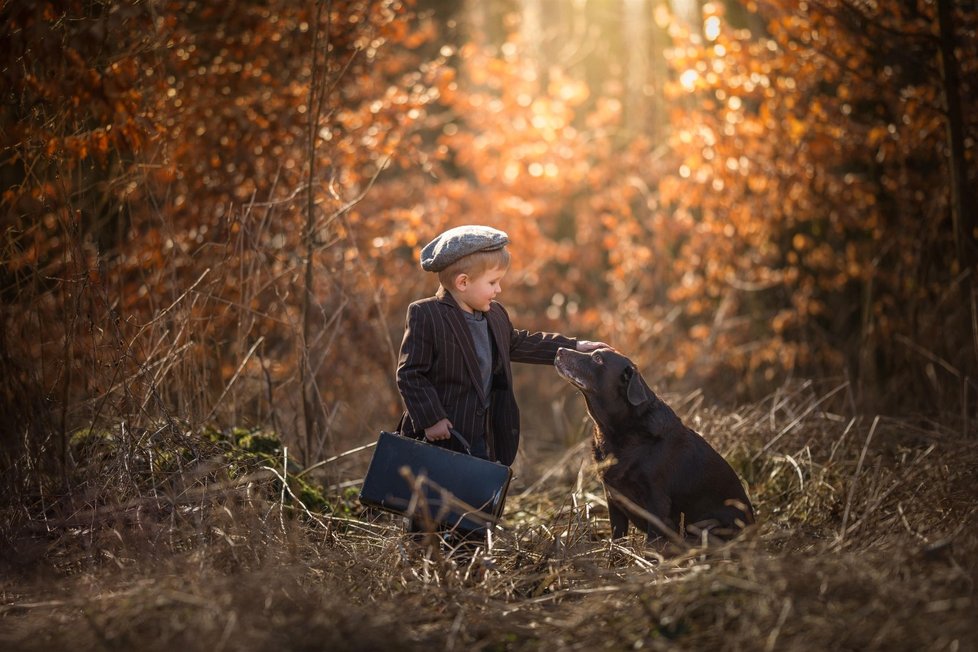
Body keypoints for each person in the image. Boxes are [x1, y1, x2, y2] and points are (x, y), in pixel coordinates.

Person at [396, 224, 609, 466]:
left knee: (476, 498)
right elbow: (410, 373)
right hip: (438, 435)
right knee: (431, 500)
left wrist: (575, 346)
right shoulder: (427, 314)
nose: (499, 289)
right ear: (463, 282)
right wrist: (431, 418)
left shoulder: (494, 313)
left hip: (481, 434)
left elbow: (517, 343)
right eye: (493, 282)